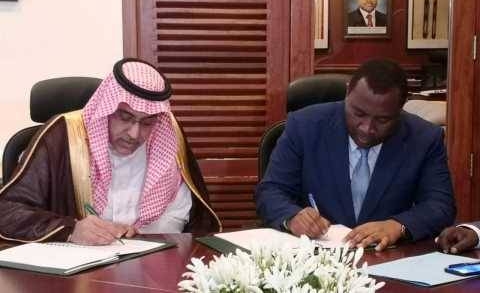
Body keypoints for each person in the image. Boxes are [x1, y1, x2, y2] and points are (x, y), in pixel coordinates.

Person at [0, 58, 221, 244]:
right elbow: (8, 211)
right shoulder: (61, 136)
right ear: (107, 108)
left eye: (147, 123)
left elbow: (182, 213)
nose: (135, 134)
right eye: (125, 117)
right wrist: (70, 230)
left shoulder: (167, 135)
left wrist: (146, 234)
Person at [256, 58, 456, 251]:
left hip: (387, 258)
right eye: (358, 114)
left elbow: (440, 205)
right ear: (347, 92)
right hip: (316, 258)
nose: (367, 128)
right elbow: (271, 191)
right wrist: (292, 217)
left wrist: (397, 226)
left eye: (382, 120)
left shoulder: (424, 138)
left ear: (400, 108)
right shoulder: (304, 126)